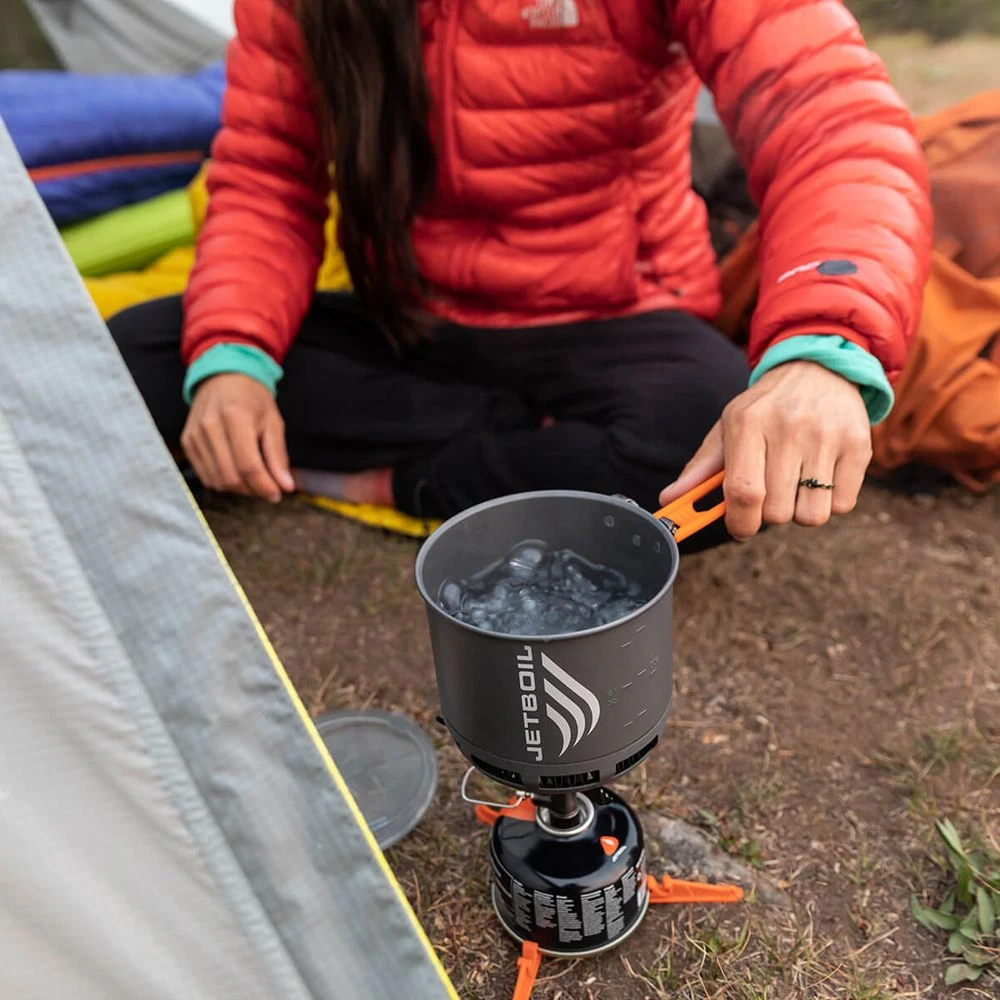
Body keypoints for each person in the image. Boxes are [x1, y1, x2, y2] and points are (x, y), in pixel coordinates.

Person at [109, 0, 932, 549]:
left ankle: (390, 473)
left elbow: (833, 115)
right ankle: (526, 447)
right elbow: (268, 175)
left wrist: (823, 347)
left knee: (706, 439)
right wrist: (231, 356)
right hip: (412, 315)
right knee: (130, 363)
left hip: (613, 313)